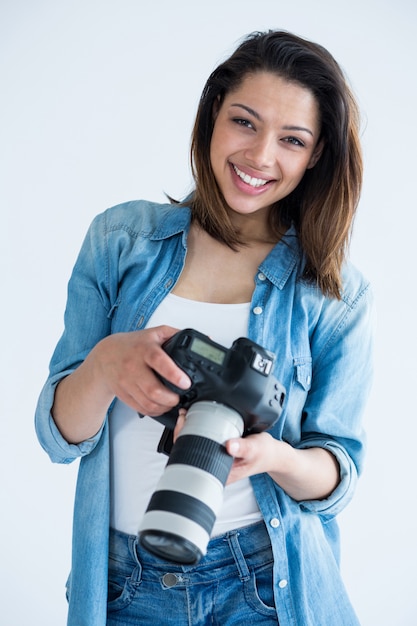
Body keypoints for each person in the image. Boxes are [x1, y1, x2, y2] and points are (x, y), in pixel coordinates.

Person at [35, 30, 374, 626]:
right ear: (213, 113)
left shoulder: (334, 292)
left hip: (268, 581)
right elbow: (57, 436)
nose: (260, 156)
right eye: (245, 122)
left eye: (292, 140)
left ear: (316, 154)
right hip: (123, 581)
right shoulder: (121, 241)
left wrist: (270, 456)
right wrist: (107, 364)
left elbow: (338, 474)